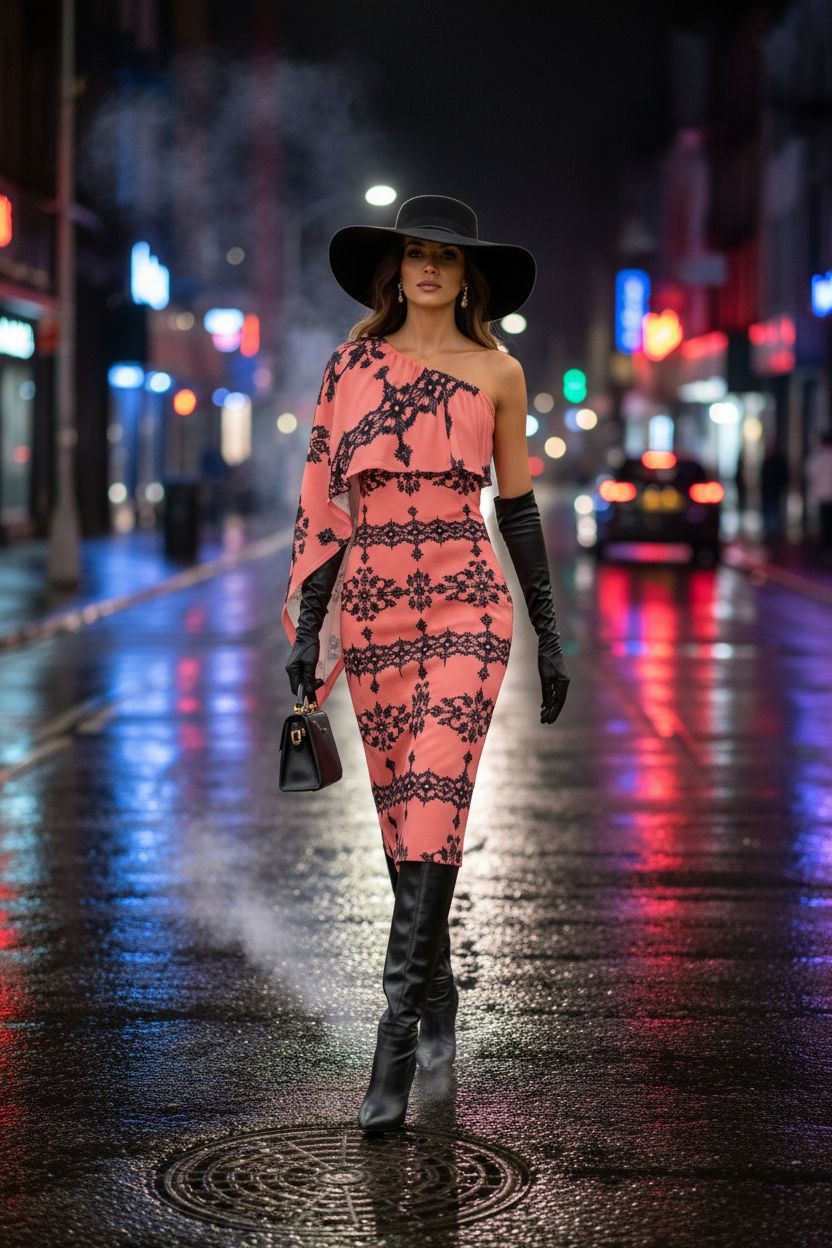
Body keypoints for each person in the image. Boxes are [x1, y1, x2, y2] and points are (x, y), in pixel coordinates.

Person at [280, 194, 570, 1132]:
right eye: (415, 254)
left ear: (468, 274)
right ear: (394, 269)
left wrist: (550, 632)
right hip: (371, 610)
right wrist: (308, 626)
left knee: (438, 797)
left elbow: (517, 511)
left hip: (467, 607)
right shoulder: (350, 366)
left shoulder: (500, 372)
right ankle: (438, 1000)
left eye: (446, 256)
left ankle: (393, 1043)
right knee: (406, 820)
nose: (430, 269)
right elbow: (324, 502)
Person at [805, 430, 832, 562]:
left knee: (824, 523)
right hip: (825, 495)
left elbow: (809, 472)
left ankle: (825, 549)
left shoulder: (818, 457)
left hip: (822, 495)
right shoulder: (820, 457)